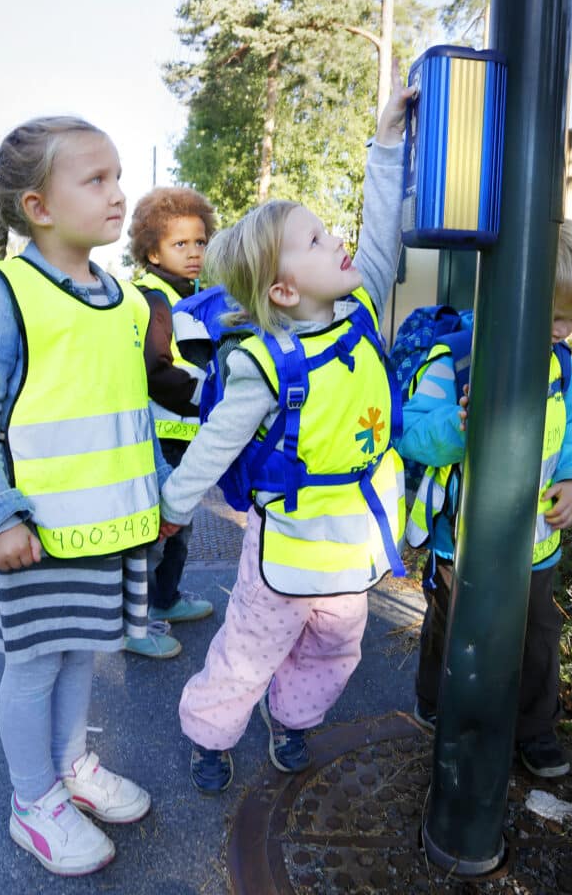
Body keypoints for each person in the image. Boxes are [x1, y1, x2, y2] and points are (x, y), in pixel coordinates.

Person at [158, 63, 417, 793]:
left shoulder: (357, 309)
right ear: (281, 289)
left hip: (354, 536)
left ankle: (292, 721)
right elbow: (216, 442)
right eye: (312, 241)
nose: (335, 242)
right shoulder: (264, 364)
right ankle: (209, 735)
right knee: (250, 646)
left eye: (324, 230)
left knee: (336, 647)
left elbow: (378, 232)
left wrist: (386, 140)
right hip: (288, 539)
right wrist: (174, 508)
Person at [0, 116, 171, 875]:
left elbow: (129, 411)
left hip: (106, 528)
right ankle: (30, 800)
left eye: (117, 175)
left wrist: (160, 496)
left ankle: (72, 768)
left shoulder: (126, 298)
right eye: (96, 179)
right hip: (36, 535)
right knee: (36, 663)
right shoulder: (5, 291)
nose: (117, 193)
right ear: (38, 206)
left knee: (84, 654)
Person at [400, 219, 572, 778]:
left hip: (534, 542)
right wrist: (460, 428)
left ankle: (534, 728)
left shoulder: (563, 367)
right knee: (453, 629)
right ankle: (439, 704)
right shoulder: (452, 358)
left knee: (538, 639)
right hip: (464, 541)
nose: (565, 329)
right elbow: (410, 432)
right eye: (554, 316)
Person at [124, 187, 217, 659]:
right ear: (153, 251)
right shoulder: (153, 298)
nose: (194, 252)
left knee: (179, 526)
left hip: (184, 435)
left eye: (200, 242)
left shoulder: (193, 295)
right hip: (163, 435)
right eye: (181, 244)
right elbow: (156, 371)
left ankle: (166, 598)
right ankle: (134, 625)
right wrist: (213, 396)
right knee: (156, 531)